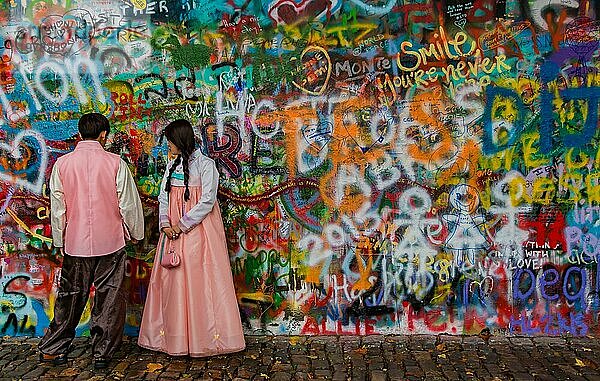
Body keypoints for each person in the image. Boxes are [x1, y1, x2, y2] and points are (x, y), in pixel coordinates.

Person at [39, 113, 144, 369]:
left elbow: (58, 207)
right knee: (109, 299)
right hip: (110, 242)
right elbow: (128, 204)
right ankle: (102, 353)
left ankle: (54, 348)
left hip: (75, 243)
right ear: (104, 134)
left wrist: (59, 239)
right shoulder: (116, 163)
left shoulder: (63, 165)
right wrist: (136, 233)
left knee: (70, 297)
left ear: (79, 133)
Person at [138, 119, 245, 357]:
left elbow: (207, 200)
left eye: (171, 141)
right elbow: (163, 196)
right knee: (173, 282)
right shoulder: (172, 164)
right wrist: (166, 224)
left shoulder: (206, 165)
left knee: (199, 280)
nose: (167, 145)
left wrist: (181, 225)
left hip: (198, 232)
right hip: (173, 233)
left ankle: (202, 337)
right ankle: (175, 337)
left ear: (181, 140)